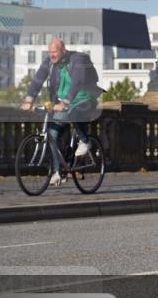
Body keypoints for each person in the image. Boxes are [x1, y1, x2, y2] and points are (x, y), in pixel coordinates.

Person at [19, 38, 102, 187]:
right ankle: (57, 172)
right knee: (52, 134)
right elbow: (37, 81)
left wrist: (66, 102)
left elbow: (78, 81)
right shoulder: (49, 63)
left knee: (75, 113)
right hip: (63, 103)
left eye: (55, 52)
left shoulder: (77, 59)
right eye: (50, 52)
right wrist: (29, 99)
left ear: (63, 50)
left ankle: (85, 141)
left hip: (85, 98)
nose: (52, 55)